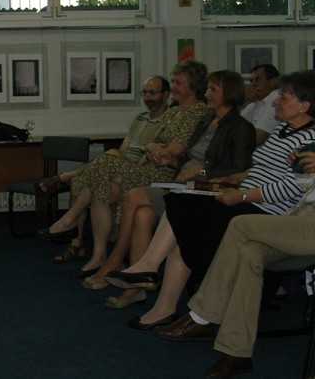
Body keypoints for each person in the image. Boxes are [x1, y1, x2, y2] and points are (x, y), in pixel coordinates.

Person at [105, 70, 315, 331]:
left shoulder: (308, 140)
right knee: (182, 221)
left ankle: (151, 274)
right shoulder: (284, 130)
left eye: (283, 97)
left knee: (182, 207)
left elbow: (291, 188)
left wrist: (241, 194)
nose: (276, 101)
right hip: (244, 197)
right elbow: (260, 168)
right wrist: (236, 178)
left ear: (304, 106)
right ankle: (161, 303)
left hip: (263, 211)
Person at [85, 71, 255, 301]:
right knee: (143, 215)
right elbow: (188, 161)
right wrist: (172, 161)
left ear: (229, 93)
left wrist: (202, 171)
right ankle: (136, 287)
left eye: (212, 90)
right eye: (207, 89)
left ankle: (116, 260)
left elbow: (238, 170)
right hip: (184, 184)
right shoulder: (207, 121)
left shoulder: (241, 127)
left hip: (209, 190)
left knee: (134, 195)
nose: (206, 94)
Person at [151, 148, 315, 378]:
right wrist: (302, 169)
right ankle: (236, 352)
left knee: (240, 225)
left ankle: (202, 316)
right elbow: (306, 188)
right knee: (250, 253)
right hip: (302, 217)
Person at [44, 60, 211, 279]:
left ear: (194, 85)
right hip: (146, 168)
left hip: (163, 175)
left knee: (105, 160)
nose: (173, 86)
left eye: (178, 82)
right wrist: (152, 149)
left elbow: (175, 149)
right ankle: (99, 256)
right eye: (173, 81)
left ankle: (69, 219)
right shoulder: (173, 112)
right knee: (99, 189)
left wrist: (154, 149)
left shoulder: (197, 111)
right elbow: (153, 144)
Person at [37, 76, 170, 257]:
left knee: (105, 161)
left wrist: (122, 161)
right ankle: (77, 243)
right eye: (145, 93)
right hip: (122, 163)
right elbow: (123, 149)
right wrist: (117, 160)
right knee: (80, 181)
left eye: (152, 93)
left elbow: (158, 157)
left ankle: (66, 191)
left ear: (166, 95)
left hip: (140, 169)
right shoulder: (140, 118)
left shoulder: (169, 121)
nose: (147, 98)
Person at [241, 64, 280, 146]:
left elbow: (255, 140)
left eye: (258, 80)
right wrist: (241, 101)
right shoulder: (255, 103)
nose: (253, 84)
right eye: (251, 81)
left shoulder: (276, 103)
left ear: (272, 82)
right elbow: (230, 127)